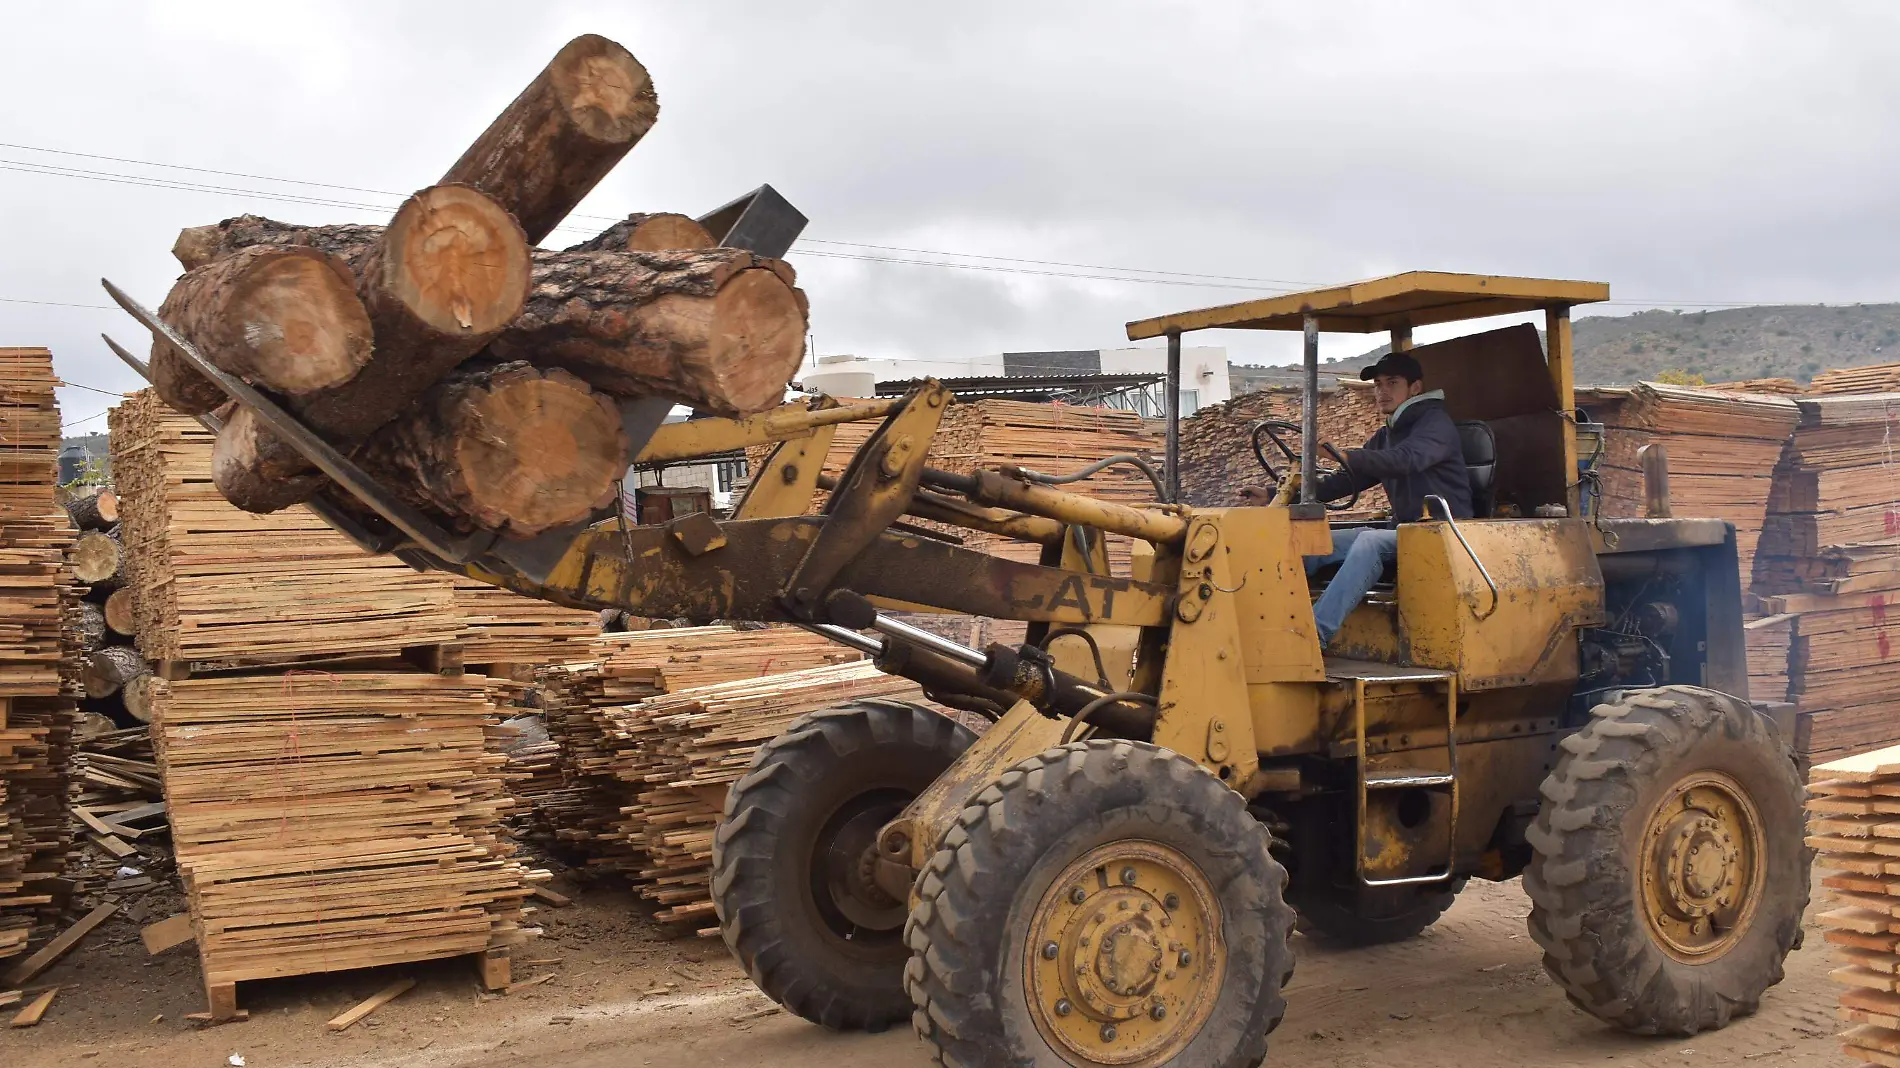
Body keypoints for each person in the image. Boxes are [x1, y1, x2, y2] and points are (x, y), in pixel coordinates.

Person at [1244, 351, 1472, 646]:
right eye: (1378, 384)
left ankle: (1311, 637)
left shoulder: (1434, 424)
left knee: (1370, 542)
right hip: (1403, 531)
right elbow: (1344, 482)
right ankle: (1266, 625)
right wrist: (1274, 494)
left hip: (1443, 533)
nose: (1382, 391)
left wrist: (1347, 455)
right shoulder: (1386, 435)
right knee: (1308, 544)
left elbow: (1405, 460)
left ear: (1415, 388)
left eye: (1392, 383)